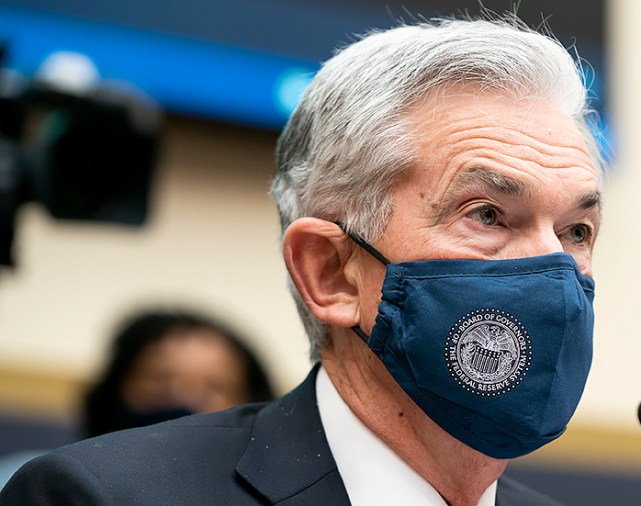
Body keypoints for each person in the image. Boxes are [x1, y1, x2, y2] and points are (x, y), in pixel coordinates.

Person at [1, 13, 604, 505]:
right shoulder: (102, 497)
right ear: (331, 272)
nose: (555, 270)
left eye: (577, 230)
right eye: (488, 215)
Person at [0, 308, 276, 486]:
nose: (183, 397)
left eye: (214, 385)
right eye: (160, 377)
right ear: (117, 387)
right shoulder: (32, 481)